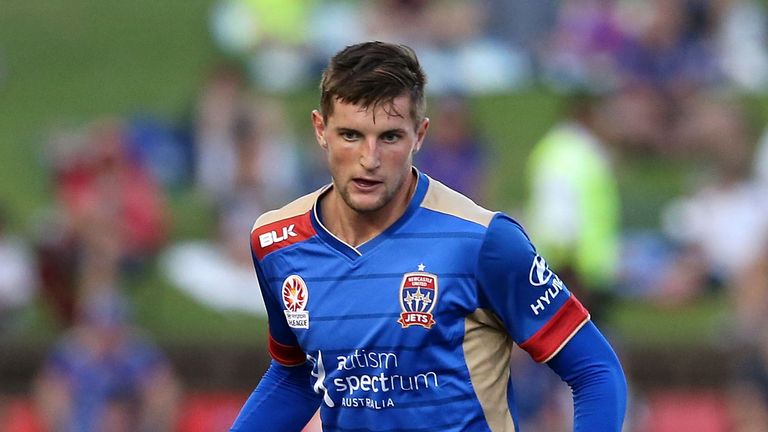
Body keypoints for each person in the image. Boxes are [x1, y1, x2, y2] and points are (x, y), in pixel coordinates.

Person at [231, 41, 626, 431]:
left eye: (389, 137)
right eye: (351, 135)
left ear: (419, 135)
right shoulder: (277, 241)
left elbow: (596, 371)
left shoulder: (482, 240)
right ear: (321, 130)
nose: (369, 159)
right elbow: (297, 375)